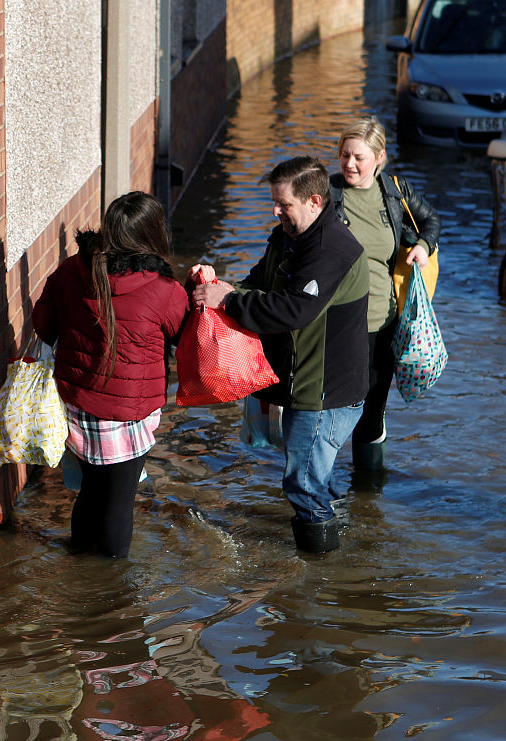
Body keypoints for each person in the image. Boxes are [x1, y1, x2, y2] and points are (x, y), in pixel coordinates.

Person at [193, 157, 368, 553]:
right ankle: (341, 546)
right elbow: (256, 284)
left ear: (314, 201)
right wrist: (218, 285)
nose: (276, 211)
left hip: (325, 392)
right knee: (315, 478)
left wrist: (231, 300)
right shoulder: (288, 236)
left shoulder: (330, 249)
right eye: (275, 203)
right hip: (305, 382)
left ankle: (318, 574)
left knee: (301, 483)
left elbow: (293, 311)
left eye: (284, 204)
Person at [33, 191, 189, 558]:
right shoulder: (164, 290)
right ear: (153, 236)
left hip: (77, 405)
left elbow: (43, 324)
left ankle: (78, 564)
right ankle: (111, 592)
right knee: (119, 501)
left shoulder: (73, 270)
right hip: (128, 413)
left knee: (90, 491)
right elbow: (186, 339)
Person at [331, 116, 440, 473]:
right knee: (332, 407)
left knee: (373, 406)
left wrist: (423, 246)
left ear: (379, 158)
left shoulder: (395, 192)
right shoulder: (326, 193)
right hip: (336, 323)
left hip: (384, 321)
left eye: (359, 157)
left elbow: (431, 221)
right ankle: (320, 491)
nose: (349, 164)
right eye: (345, 155)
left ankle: (368, 491)